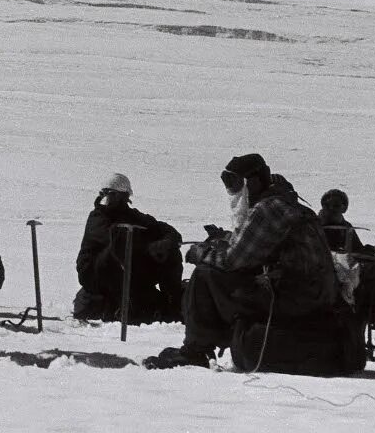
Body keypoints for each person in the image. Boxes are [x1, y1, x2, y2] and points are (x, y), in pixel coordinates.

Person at [146, 153, 339, 369]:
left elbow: (232, 261)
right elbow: (257, 248)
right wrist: (224, 239)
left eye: (236, 183)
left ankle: (195, 351)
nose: (233, 191)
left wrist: (200, 253)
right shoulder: (290, 205)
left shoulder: (268, 209)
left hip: (294, 298)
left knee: (205, 274)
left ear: (254, 182)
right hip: (313, 296)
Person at [72, 173, 183, 323]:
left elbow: (165, 229)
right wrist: (149, 246)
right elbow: (116, 241)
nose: (107, 198)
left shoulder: (132, 215)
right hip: (96, 275)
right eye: (104, 193)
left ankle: (174, 300)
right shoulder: (97, 217)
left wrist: (165, 242)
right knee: (120, 242)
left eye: (112, 194)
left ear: (124, 196)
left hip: (128, 270)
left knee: (170, 251)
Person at [317, 189, 359, 253]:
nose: (331, 208)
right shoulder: (314, 225)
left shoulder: (347, 228)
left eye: (336, 205)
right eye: (327, 205)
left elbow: (357, 249)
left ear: (344, 208)